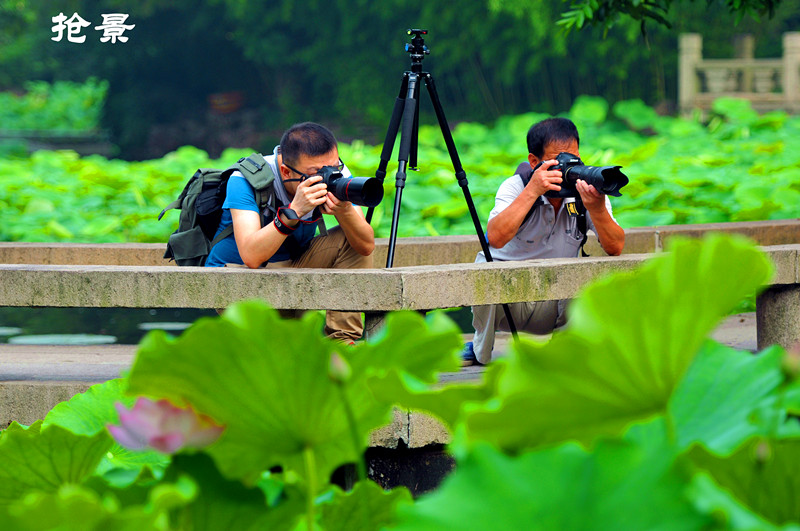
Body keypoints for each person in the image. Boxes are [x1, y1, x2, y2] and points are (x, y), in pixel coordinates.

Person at [462, 117, 625, 366]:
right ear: (534, 161)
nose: (567, 167)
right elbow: (494, 238)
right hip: (509, 303)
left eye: (574, 159)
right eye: (558, 161)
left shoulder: (585, 192)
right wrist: (533, 191)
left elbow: (616, 247)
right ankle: (480, 352)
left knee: (590, 278)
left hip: (557, 300)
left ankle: (564, 352)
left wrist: (598, 208)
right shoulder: (515, 186)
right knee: (484, 264)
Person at [205, 122, 375, 343]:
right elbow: (251, 256)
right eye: (317, 173)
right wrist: (293, 211)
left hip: (293, 266)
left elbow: (365, 245)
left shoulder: (336, 174)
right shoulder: (245, 180)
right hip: (240, 279)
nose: (328, 176)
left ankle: (343, 342)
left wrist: (343, 211)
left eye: (334, 167)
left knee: (350, 237)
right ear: (286, 171)